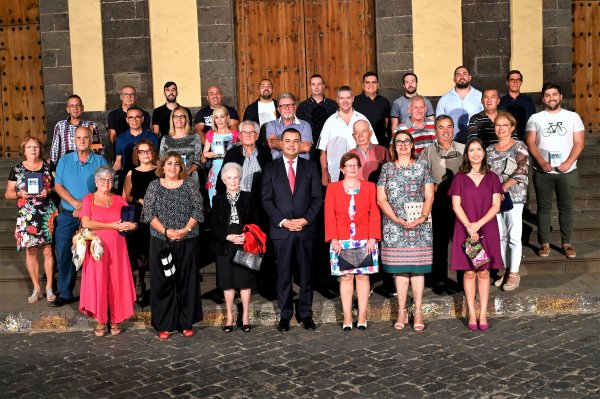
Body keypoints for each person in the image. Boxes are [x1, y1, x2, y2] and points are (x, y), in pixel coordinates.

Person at [262, 128, 323, 332]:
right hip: (282, 231)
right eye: (287, 141)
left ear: (300, 144)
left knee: (306, 274)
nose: (291, 145)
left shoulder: (310, 167)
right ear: (281, 143)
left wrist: (305, 220)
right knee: (283, 274)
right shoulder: (271, 168)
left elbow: (316, 198)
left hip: (305, 229)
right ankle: (285, 314)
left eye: (295, 141)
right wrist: (283, 221)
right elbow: (267, 199)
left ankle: (305, 313)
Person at [142, 152, 204, 340]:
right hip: (161, 241)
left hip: (187, 239)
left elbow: (198, 210)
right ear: (162, 166)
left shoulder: (190, 185)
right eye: (169, 163)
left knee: (187, 281)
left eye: (177, 164)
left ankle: (186, 323)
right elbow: (148, 213)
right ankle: (164, 324)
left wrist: (185, 230)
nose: (173, 167)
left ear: (181, 167)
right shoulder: (153, 186)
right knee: (163, 283)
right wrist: (166, 231)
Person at [377, 131, 434, 331]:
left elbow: (429, 195)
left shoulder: (422, 166)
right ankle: (402, 310)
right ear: (394, 146)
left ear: (412, 145)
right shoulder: (387, 169)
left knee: (417, 269)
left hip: (420, 224)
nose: (403, 145)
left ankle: (418, 311)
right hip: (394, 225)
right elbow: (381, 198)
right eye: (399, 142)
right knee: (400, 269)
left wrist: (423, 217)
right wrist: (394, 218)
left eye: (406, 141)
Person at [448, 138, 503, 331]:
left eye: (479, 149)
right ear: (467, 154)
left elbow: (496, 205)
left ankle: (483, 313)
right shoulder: (459, 178)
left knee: (484, 271)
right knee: (470, 271)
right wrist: (470, 227)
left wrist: (478, 225)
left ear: (484, 152)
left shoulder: (493, 177)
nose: (475, 153)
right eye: (471, 150)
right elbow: (456, 205)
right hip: (466, 229)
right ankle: (472, 312)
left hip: (486, 228)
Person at [525, 83, 585, 258]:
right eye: (547, 95)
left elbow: (579, 143)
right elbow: (530, 143)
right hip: (543, 171)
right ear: (543, 98)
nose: (551, 98)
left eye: (554, 94)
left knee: (566, 208)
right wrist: (542, 162)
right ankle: (544, 243)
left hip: (567, 171)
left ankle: (566, 243)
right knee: (543, 208)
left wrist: (568, 162)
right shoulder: (535, 118)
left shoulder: (573, 117)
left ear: (560, 96)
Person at [52, 126, 107, 307]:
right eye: (79, 138)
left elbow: (105, 187)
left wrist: (84, 207)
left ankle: (92, 293)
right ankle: (66, 293)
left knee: (93, 254)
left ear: (91, 140)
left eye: (85, 138)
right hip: (68, 215)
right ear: (74, 140)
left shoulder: (99, 161)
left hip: (91, 215)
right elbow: (58, 186)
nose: (82, 141)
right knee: (64, 253)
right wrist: (75, 204)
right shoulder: (64, 160)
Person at [325, 153, 380, 331]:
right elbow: (329, 215)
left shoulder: (370, 187)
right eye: (348, 165)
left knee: (363, 277)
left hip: (365, 238)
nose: (352, 168)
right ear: (342, 168)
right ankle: (348, 316)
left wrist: (373, 237)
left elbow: (375, 213)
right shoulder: (333, 188)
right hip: (341, 240)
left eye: (355, 165)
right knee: (346, 277)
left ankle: (362, 315)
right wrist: (334, 238)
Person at [79, 166, 137, 336]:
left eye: (110, 180)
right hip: (97, 248)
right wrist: (111, 225)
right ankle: (100, 321)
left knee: (116, 282)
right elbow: (86, 222)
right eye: (103, 180)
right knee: (99, 283)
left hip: (118, 247)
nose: (106, 183)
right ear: (96, 182)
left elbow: (132, 223)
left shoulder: (119, 200)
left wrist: (132, 225)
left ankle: (116, 320)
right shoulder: (88, 199)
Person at [5, 137, 58, 303]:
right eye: (29, 147)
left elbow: (58, 186)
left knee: (48, 250)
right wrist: (20, 194)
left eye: (35, 146)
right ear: (24, 150)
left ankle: (49, 287)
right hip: (27, 215)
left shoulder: (49, 166)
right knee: (31, 251)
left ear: (40, 149)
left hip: (46, 213)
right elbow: (8, 194)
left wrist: (48, 192)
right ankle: (37, 289)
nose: (33, 149)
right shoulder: (17, 169)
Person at [211, 163, 260, 333]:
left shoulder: (249, 197)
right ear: (224, 180)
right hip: (225, 244)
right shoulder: (217, 199)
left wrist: (247, 235)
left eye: (236, 177)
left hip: (245, 244)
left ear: (240, 179)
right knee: (228, 282)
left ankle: (245, 315)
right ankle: (230, 316)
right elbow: (214, 224)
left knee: (245, 281)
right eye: (229, 177)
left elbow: (256, 221)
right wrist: (227, 236)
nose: (233, 180)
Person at [419, 115, 465, 295]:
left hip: (461, 204)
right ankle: (439, 279)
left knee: (461, 243)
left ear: (453, 129)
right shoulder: (428, 151)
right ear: (435, 130)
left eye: (449, 127)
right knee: (439, 244)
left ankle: (463, 280)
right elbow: (422, 177)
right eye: (441, 127)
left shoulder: (464, 149)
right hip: (438, 203)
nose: (445, 131)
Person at [487, 112, 529, 291]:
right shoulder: (489, 150)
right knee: (501, 235)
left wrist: (502, 188)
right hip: (495, 198)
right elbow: (486, 173)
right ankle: (505, 269)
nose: (501, 128)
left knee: (513, 235)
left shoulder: (519, 146)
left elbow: (522, 170)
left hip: (514, 196)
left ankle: (514, 273)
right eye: (498, 125)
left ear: (512, 127)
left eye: (505, 125)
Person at [122, 139, 158, 302]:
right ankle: (139, 282)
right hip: (138, 215)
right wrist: (138, 200)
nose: (145, 154)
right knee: (136, 251)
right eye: (141, 151)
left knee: (153, 250)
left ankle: (154, 284)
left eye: (148, 151)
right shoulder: (132, 173)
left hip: (157, 217)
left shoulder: (160, 172)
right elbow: (125, 197)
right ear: (137, 154)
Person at [318, 86, 375, 186]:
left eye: (348, 98)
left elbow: (373, 146)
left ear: (353, 99)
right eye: (342, 98)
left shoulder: (362, 119)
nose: (345, 101)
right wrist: (324, 171)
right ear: (337, 100)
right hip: (335, 173)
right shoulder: (330, 122)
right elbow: (322, 150)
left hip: (360, 172)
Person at [216, 120, 272, 201]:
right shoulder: (232, 154)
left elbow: (270, 181)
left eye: (252, 132)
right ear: (240, 136)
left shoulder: (265, 154)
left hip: (259, 201)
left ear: (257, 136)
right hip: (236, 200)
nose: (248, 135)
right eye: (244, 132)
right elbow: (221, 179)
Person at [50, 95, 102, 167]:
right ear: (68, 109)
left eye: (78, 105)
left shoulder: (91, 125)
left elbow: (98, 149)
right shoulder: (60, 126)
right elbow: (54, 149)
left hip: (87, 165)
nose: (75, 108)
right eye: (72, 106)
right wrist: (53, 168)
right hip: (66, 166)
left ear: (82, 108)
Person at [203, 106, 240, 206]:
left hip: (231, 169)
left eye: (222, 117)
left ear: (227, 117)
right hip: (216, 169)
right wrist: (211, 154)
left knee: (232, 196)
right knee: (214, 198)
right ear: (214, 119)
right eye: (216, 117)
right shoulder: (211, 134)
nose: (219, 120)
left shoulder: (234, 135)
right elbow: (204, 153)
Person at [296, 74, 338, 161]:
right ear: (310, 87)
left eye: (319, 84)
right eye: (313, 84)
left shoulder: (333, 105)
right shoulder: (303, 106)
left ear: (323, 86)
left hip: (329, 146)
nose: (316, 87)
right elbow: (298, 128)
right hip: (309, 147)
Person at [435, 66, 483, 143]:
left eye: (464, 74)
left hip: (476, 142)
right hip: (452, 143)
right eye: (458, 75)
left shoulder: (480, 96)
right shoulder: (444, 99)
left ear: (469, 77)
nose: (462, 77)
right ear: (454, 79)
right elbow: (438, 123)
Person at [159, 105, 203, 183]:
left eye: (182, 116)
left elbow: (198, 160)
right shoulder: (165, 139)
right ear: (172, 119)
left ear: (186, 119)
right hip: (171, 178)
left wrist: (188, 172)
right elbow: (162, 160)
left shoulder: (195, 137)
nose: (179, 119)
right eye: (176, 116)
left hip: (190, 178)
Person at [113, 106, 160, 178]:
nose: (134, 120)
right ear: (127, 120)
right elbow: (118, 161)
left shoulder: (152, 137)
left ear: (142, 119)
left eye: (137, 117)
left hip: (149, 175)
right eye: (131, 117)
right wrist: (112, 177)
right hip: (128, 176)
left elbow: (157, 159)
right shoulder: (120, 138)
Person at [265, 92, 313, 160]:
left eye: (289, 105)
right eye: (283, 106)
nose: (287, 108)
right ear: (279, 109)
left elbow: (306, 147)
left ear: (295, 107)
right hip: (279, 166)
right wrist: (297, 145)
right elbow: (272, 143)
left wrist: (280, 143)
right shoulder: (272, 125)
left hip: (302, 167)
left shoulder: (305, 125)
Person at [353, 72, 391, 147]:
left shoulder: (384, 101)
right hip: (360, 144)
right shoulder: (354, 101)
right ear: (363, 84)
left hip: (381, 144)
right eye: (367, 82)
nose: (371, 85)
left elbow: (388, 125)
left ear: (378, 84)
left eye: (374, 82)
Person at [499, 70, 536, 141]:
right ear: (507, 82)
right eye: (512, 80)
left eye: (518, 80)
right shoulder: (501, 101)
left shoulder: (528, 100)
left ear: (521, 82)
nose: (515, 82)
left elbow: (532, 120)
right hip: (507, 140)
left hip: (526, 140)